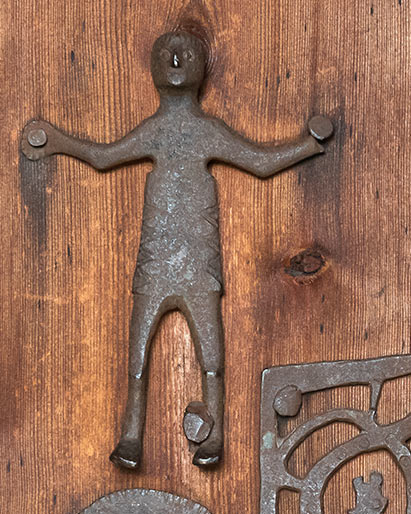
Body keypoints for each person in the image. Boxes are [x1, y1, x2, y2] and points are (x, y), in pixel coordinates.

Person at [22, 30, 332, 469]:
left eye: (185, 51)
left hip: (200, 259)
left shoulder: (207, 131)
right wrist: (55, 140)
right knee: (138, 348)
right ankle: (131, 435)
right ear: (153, 68)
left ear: (202, 66)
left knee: (211, 351)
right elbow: (103, 156)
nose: (175, 55)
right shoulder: (155, 130)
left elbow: (260, 162)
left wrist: (308, 145)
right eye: (167, 50)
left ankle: (215, 436)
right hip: (155, 259)